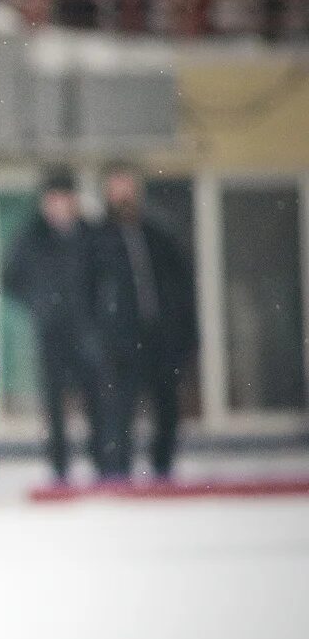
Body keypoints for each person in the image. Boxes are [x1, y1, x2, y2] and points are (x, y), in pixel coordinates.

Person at [2, 170, 109, 484]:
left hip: (88, 330)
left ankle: (103, 461)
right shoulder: (31, 237)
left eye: (64, 199)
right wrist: (40, 303)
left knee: (97, 398)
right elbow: (10, 277)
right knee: (55, 402)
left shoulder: (90, 235)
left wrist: (97, 311)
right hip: (51, 332)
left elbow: (105, 277)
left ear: (74, 201)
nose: (58, 206)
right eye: (52, 200)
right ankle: (60, 467)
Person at [93, 164, 195, 481]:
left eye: (128, 185)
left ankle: (163, 469)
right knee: (118, 412)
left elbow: (181, 289)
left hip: (159, 338)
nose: (123, 193)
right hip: (119, 341)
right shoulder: (96, 239)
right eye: (116, 186)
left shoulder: (158, 235)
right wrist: (96, 336)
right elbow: (83, 293)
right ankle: (117, 474)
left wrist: (185, 333)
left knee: (166, 407)